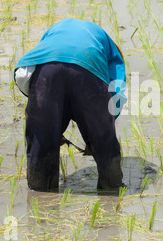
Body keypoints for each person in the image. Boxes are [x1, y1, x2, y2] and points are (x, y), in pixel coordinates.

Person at [14, 18, 127, 192]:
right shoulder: (111, 52)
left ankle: (41, 192)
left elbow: (36, 82)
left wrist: (48, 121)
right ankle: (111, 189)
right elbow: (115, 92)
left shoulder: (53, 33)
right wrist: (101, 127)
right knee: (104, 139)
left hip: (46, 69)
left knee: (41, 138)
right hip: (88, 65)